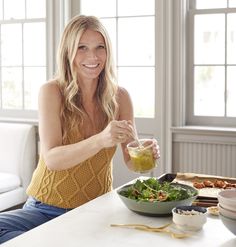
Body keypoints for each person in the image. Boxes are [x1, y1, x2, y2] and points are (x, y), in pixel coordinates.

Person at [0, 15, 160, 244]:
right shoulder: (51, 92)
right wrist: (101, 139)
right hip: (44, 209)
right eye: (82, 48)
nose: (92, 57)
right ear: (68, 51)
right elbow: (52, 158)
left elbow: (132, 162)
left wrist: (146, 154)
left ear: (108, 52)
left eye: (99, 48)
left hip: (95, 209)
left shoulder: (121, 97)